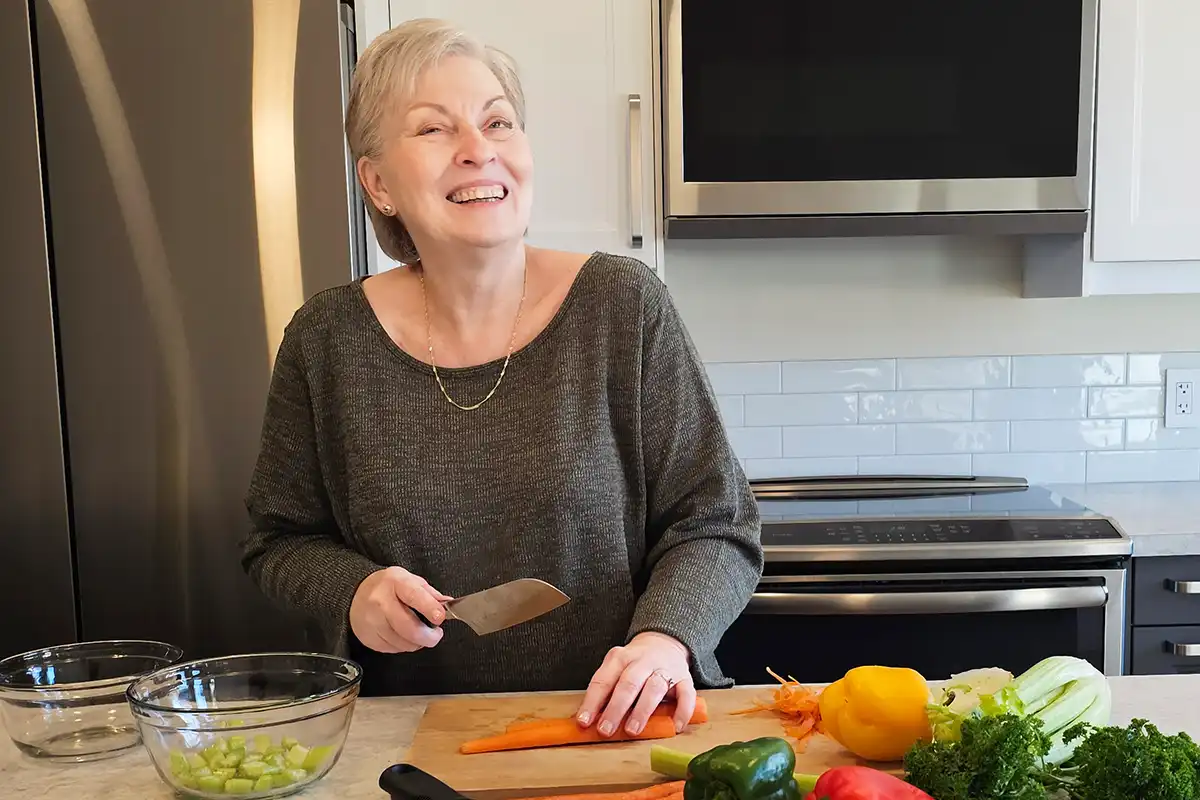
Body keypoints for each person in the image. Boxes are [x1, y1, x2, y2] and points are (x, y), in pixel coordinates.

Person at [240, 17, 762, 739]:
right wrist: (354, 590)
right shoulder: (326, 338)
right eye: (433, 129)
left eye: (497, 122)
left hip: (621, 731)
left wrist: (664, 638)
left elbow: (716, 524)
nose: (478, 149)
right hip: (410, 740)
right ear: (379, 183)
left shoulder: (621, 304)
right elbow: (278, 540)